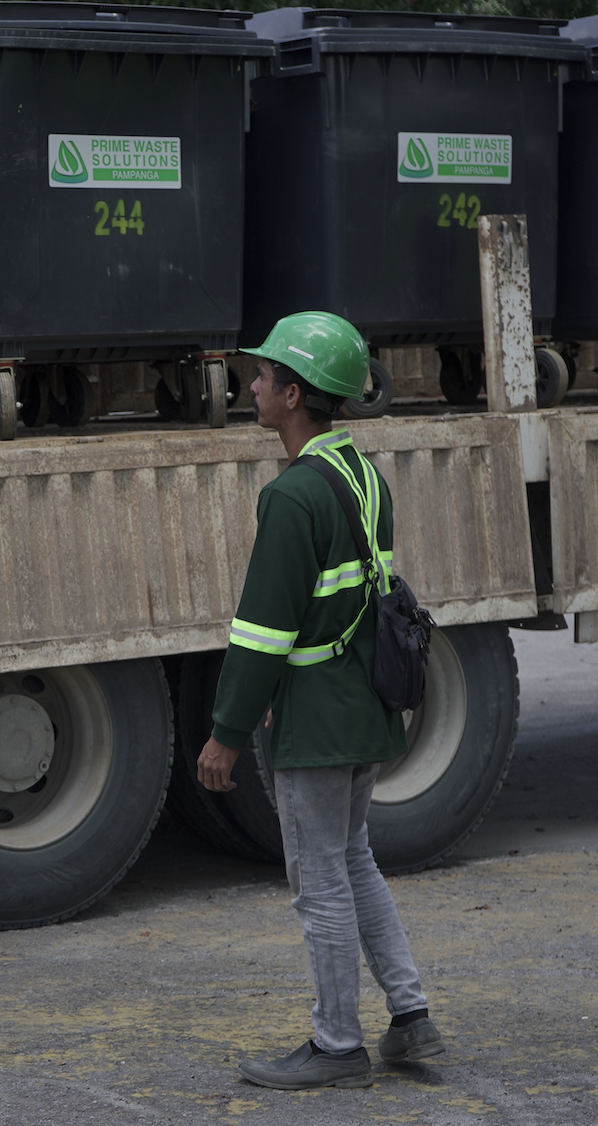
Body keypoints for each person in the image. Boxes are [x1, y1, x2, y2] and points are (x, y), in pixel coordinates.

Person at [195, 312, 443, 1090]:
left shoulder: (294, 494)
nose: (253, 386)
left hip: (318, 719)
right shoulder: (362, 475)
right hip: (365, 708)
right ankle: (412, 1018)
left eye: (264, 377)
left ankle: (338, 1045)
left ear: (294, 395)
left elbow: (263, 631)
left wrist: (225, 734)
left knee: (321, 883)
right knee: (355, 861)